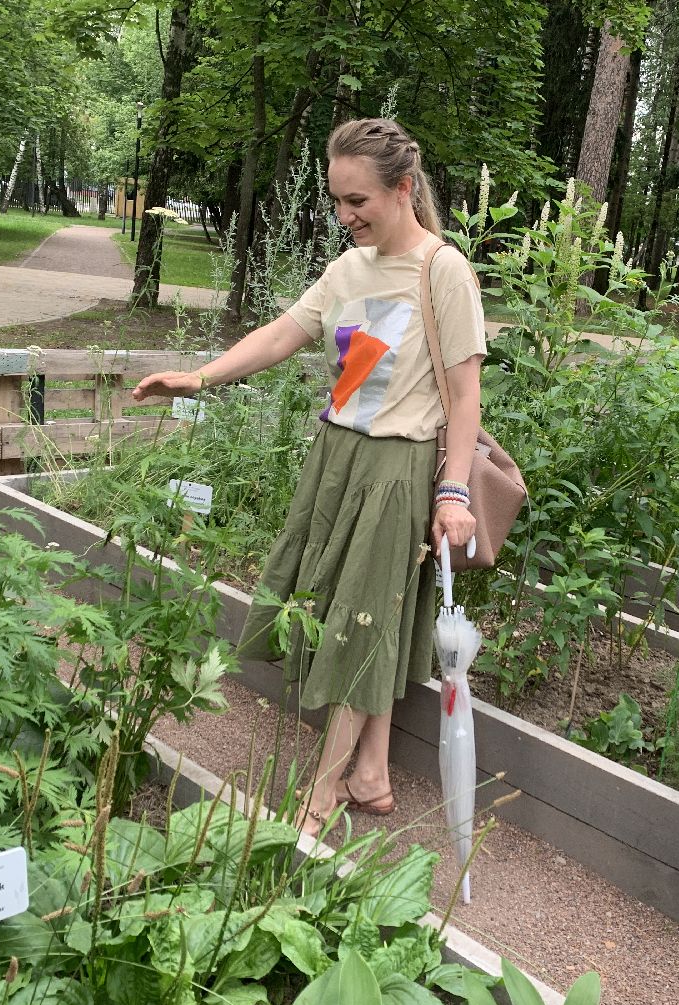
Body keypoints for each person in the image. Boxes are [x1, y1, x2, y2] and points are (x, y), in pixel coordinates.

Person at [131, 118, 486, 836]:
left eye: (359, 201)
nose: (344, 215)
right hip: (335, 460)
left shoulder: (441, 270)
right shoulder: (346, 270)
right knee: (355, 611)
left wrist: (451, 491)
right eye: (336, 200)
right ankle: (372, 775)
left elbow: (464, 394)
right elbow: (277, 335)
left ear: (404, 189)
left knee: (362, 619)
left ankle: (320, 800)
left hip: (395, 469)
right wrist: (198, 377)